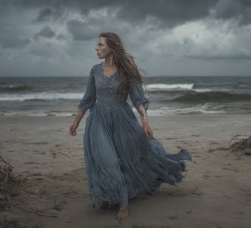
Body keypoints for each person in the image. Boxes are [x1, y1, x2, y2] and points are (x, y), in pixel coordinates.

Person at [69, 32, 191, 220]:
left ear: (111, 47)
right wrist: (76, 121)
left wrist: (145, 122)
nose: (97, 48)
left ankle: (121, 199)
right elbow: (88, 98)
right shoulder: (94, 70)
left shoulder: (126, 71)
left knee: (127, 159)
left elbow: (138, 99)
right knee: (107, 161)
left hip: (122, 120)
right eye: (97, 45)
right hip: (99, 121)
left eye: (100, 45)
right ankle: (119, 197)